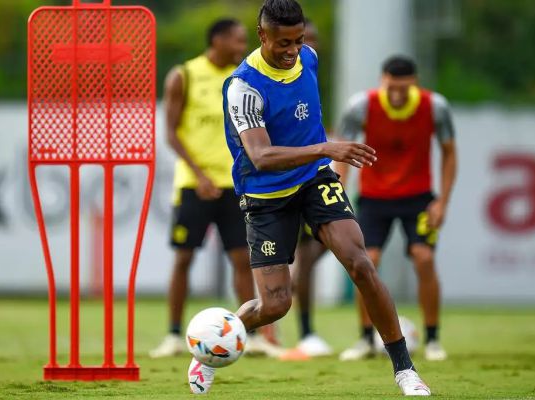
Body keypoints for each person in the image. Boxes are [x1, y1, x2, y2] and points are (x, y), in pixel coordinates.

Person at [187, 0, 431, 395]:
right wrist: (326, 148)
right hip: (266, 195)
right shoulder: (243, 87)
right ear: (262, 35)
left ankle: (405, 369)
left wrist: (321, 155)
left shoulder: (309, 58)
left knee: (361, 264)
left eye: (298, 40)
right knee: (274, 305)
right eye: (283, 42)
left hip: (315, 180)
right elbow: (262, 157)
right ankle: (211, 342)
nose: (292, 50)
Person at [150, 18, 282, 359]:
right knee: (184, 257)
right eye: (237, 41)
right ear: (218, 39)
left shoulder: (244, 77)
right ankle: (174, 335)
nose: (242, 47)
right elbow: (171, 133)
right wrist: (200, 174)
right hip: (195, 185)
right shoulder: (185, 75)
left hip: (235, 186)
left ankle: (248, 335)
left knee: (242, 259)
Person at [336, 55, 456, 362]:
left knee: (424, 258)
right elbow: (342, 151)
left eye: (405, 87)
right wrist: (338, 192)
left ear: (414, 83)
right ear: (383, 81)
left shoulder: (435, 107)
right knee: (366, 261)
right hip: (374, 198)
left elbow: (449, 153)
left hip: (418, 198)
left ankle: (432, 339)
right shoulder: (361, 106)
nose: (398, 94)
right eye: (392, 87)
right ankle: (365, 340)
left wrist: (442, 200)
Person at [279, 16, 333, 361]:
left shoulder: (309, 70)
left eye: (309, 40)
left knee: (315, 254)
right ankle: (304, 330)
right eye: (300, 40)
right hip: (283, 182)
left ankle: (307, 330)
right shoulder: (267, 76)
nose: (304, 47)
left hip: (314, 178)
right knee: (294, 259)